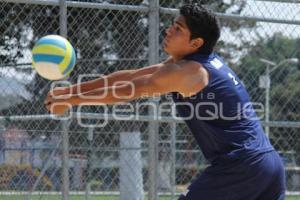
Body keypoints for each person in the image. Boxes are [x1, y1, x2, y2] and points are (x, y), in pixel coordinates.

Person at [45, 4, 286, 200]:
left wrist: (71, 100)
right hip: (269, 166)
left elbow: (130, 90)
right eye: (172, 25)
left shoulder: (191, 71)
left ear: (196, 43)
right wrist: (69, 91)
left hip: (242, 166)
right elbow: (129, 76)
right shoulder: (197, 63)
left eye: (178, 29)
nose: (168, 31)